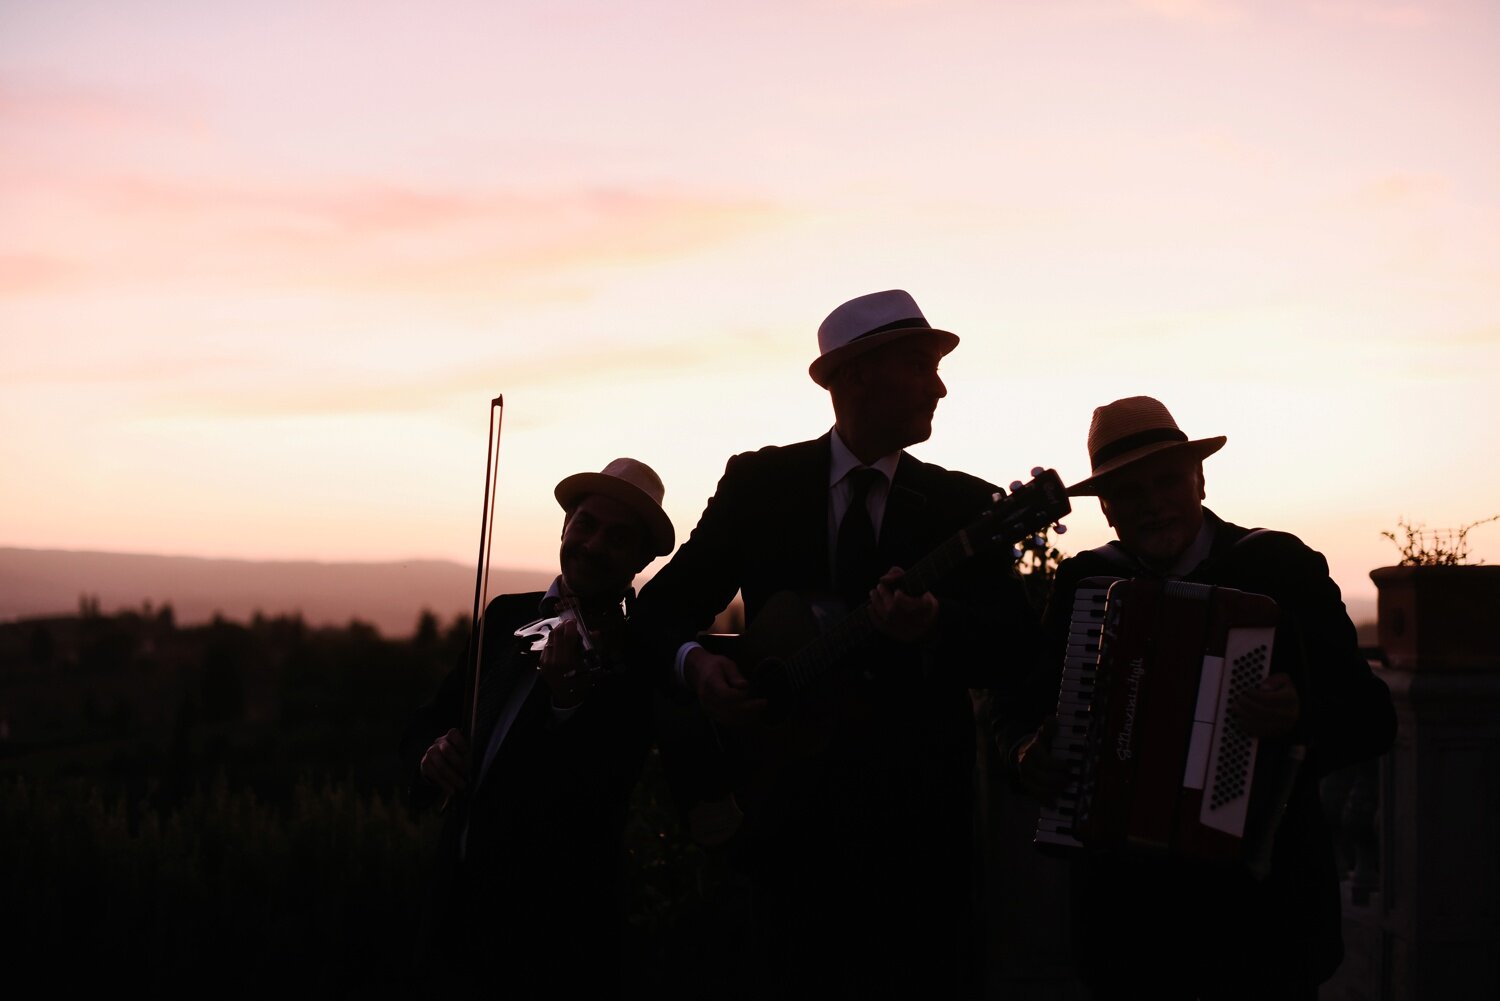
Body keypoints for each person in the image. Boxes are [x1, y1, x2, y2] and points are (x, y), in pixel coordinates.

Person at [635, 289, 1043, 999]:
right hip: (783, 826)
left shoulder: (964, 507)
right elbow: (661, 611)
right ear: (857, 376)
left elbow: (1017, 650)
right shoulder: (759, 484)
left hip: (918, 843)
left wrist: (937, 623)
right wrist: (696, 665)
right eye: (920, 365)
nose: (940, 385)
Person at [1001, 395, 1397, 1000]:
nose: (1153, 505)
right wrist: (1030, 753)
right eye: (1130, 493)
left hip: (1263, 920)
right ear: (1106, 509)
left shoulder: (1279, 567)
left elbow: (1373, 719)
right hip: (1127, 927)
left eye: (1168, 482)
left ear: (1201, 480)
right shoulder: (1086, 582)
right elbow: (1022, 714)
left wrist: (1300, 715)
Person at [400, 457, 675, 995]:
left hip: (554, 937)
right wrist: (431, 752)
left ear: (640, 560)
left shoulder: (639, 652)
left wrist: (567, 705)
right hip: (454, 911)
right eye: (586, 525)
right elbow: (435, 717)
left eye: (618, 539)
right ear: (566, 526)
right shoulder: (507, 616)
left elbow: (606, 784)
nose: (594, 546)